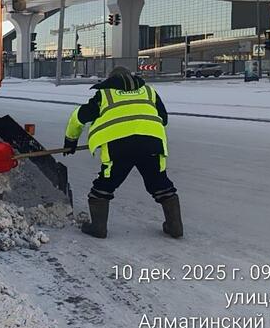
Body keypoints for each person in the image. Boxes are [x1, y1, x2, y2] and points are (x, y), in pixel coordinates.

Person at [63, 66, 183, 239]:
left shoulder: (104, 95)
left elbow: (79, 117)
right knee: (160, 184)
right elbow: (163, 118)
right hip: (151, 144)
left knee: (104, 185)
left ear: (111, 80)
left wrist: (71, 140)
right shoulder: (149, 92)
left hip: (119, 147)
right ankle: (175, 226)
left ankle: (98, 228)